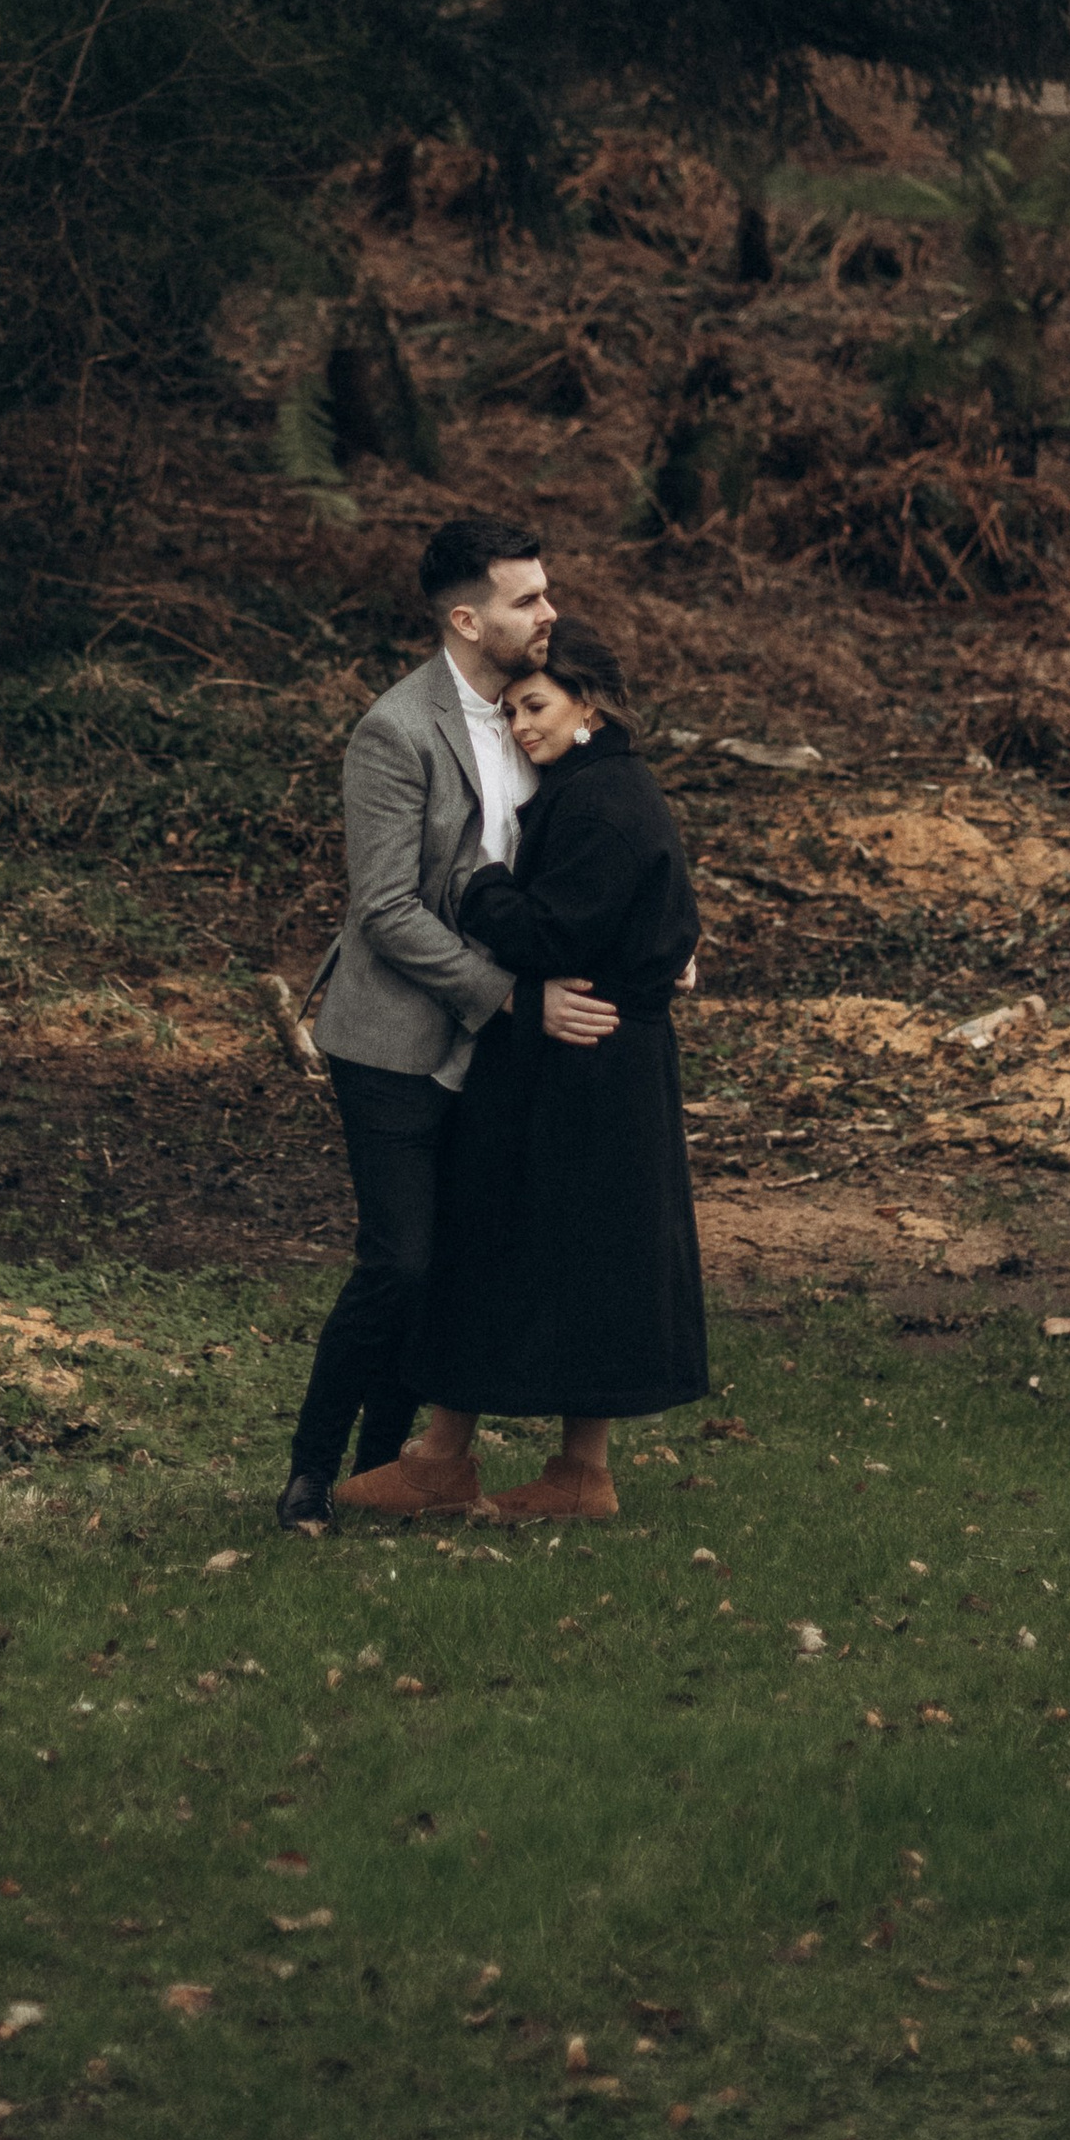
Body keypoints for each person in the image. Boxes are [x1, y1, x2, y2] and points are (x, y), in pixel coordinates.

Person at [277, 518, 622, 1533]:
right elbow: (382, 909)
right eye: (527, 599)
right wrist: (510, 995)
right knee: (400, 1262)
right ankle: (307, 1470)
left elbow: (588, 846)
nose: (549, 612)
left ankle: (390, 1466)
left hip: (503, 1046)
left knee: (457, 1258)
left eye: (547, 592)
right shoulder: (395, 730)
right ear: (467, 620)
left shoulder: (544, 716)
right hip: (391, 1034)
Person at [386, 616, 708, 1526]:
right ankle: (473, 1459)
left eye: (537, 706)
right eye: (514, 709)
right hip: (578, 1057)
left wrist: (474, 884)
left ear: (590, 709)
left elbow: (551, 929)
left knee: (561, 1250)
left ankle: (558, 1473)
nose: (522, 725)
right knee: (527, 1242)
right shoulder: (590, 787)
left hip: (588, 1067)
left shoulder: (605, 799)